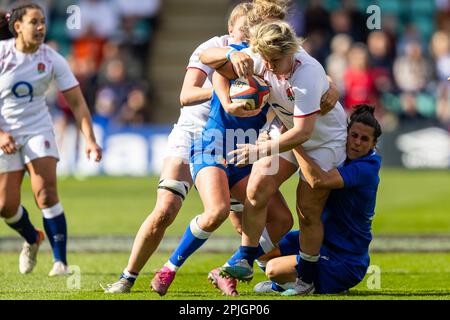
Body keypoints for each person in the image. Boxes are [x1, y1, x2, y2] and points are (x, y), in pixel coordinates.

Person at [200, 20, 348, 294]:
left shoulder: (309, 74)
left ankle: (305, 281)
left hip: (323, 141)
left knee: (307, 213)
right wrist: (231, 62)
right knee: (256, 190)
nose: (267, 67)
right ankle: (244, 258)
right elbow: (208, 61)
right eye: (265, 60)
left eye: (275, 61)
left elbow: (304, 132)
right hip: (285, 131)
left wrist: (260, 149)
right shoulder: (262, 57)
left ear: (291, 51)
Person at [0, 3, 102, 276]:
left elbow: (78, 104)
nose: (41, 27)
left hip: (38, 128)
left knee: (45, 193)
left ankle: (61, 263)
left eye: (43, 21)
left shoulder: (52, 58)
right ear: (18, 26)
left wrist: (90, 140)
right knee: (5, 206)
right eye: (34, 22)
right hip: (4, 131)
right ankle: (32, 238)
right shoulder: (1, 55)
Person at [252, 104, 382, 295]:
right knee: (263, 247)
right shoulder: (338, 153)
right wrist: (269, 138)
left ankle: (300, 284)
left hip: (344, 260)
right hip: (321, 241)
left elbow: (318, 180)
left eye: (364, 139)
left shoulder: (367, 167)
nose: (357, 142)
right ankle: (286, 282)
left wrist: (293, 141)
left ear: (373, 144)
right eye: (354, 135)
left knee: (274, 269)